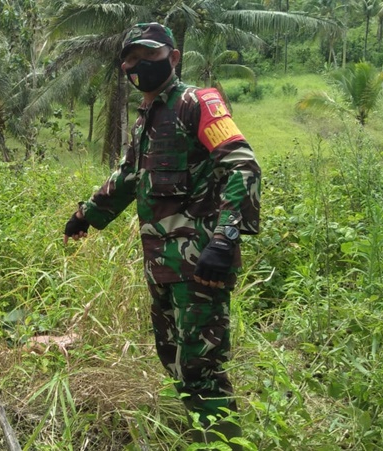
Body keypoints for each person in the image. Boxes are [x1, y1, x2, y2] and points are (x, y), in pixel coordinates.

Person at [63, 23, 261, 448]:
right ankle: (206, 437)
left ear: (172, 58)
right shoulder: (147, 117)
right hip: (162, 265)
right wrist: (87, 215)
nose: (138, 67)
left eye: (149, 57)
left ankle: (223, 443)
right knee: (172, 358)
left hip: (201, 264)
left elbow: (241, 165)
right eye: (131, 59)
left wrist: (226, 238)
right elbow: (131, 174)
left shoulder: (197, 102)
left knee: (200, 367)